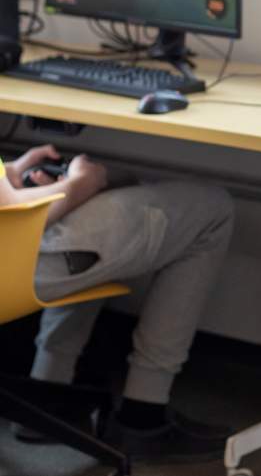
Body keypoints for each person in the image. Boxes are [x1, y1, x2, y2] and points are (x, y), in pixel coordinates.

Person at [1, 143, 234, 464]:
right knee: (213, 209)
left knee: (116, 179)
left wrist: (11, 172)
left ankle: (48, 394)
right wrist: (79, 184)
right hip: (18, 255)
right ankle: (143, 414)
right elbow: (11, 209)